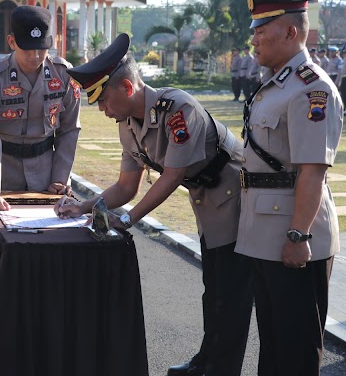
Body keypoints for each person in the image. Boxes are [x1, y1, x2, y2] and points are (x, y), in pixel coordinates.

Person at [60, 33, 253, 376]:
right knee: (215, 288)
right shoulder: (128, 124)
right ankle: (206, 361)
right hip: (207, 197)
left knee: (229, 291)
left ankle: (221, 369)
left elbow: (172, 175)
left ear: (127, 88)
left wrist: (128, 219)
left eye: (103, 99)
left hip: (234, 194)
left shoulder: (178, 109)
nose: (101, 109)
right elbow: (125, 186)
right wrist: (85, 206)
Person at [237, 0, 343, 374]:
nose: (254, 39)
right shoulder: (276, 85)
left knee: (296, 351)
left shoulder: (312, 89)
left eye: (262, 30)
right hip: (266, 231)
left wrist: (299, 237)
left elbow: (313, 171)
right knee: (274, 345)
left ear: (291, 32)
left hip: (295, 236)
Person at [0, 5, 81, 211]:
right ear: (12, 42)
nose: (35, 55)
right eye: (28, 48)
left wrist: (60, 177)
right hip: (4, 173)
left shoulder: (64, 75)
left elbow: (69, 130)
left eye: (41, 47)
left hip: (47, 172)